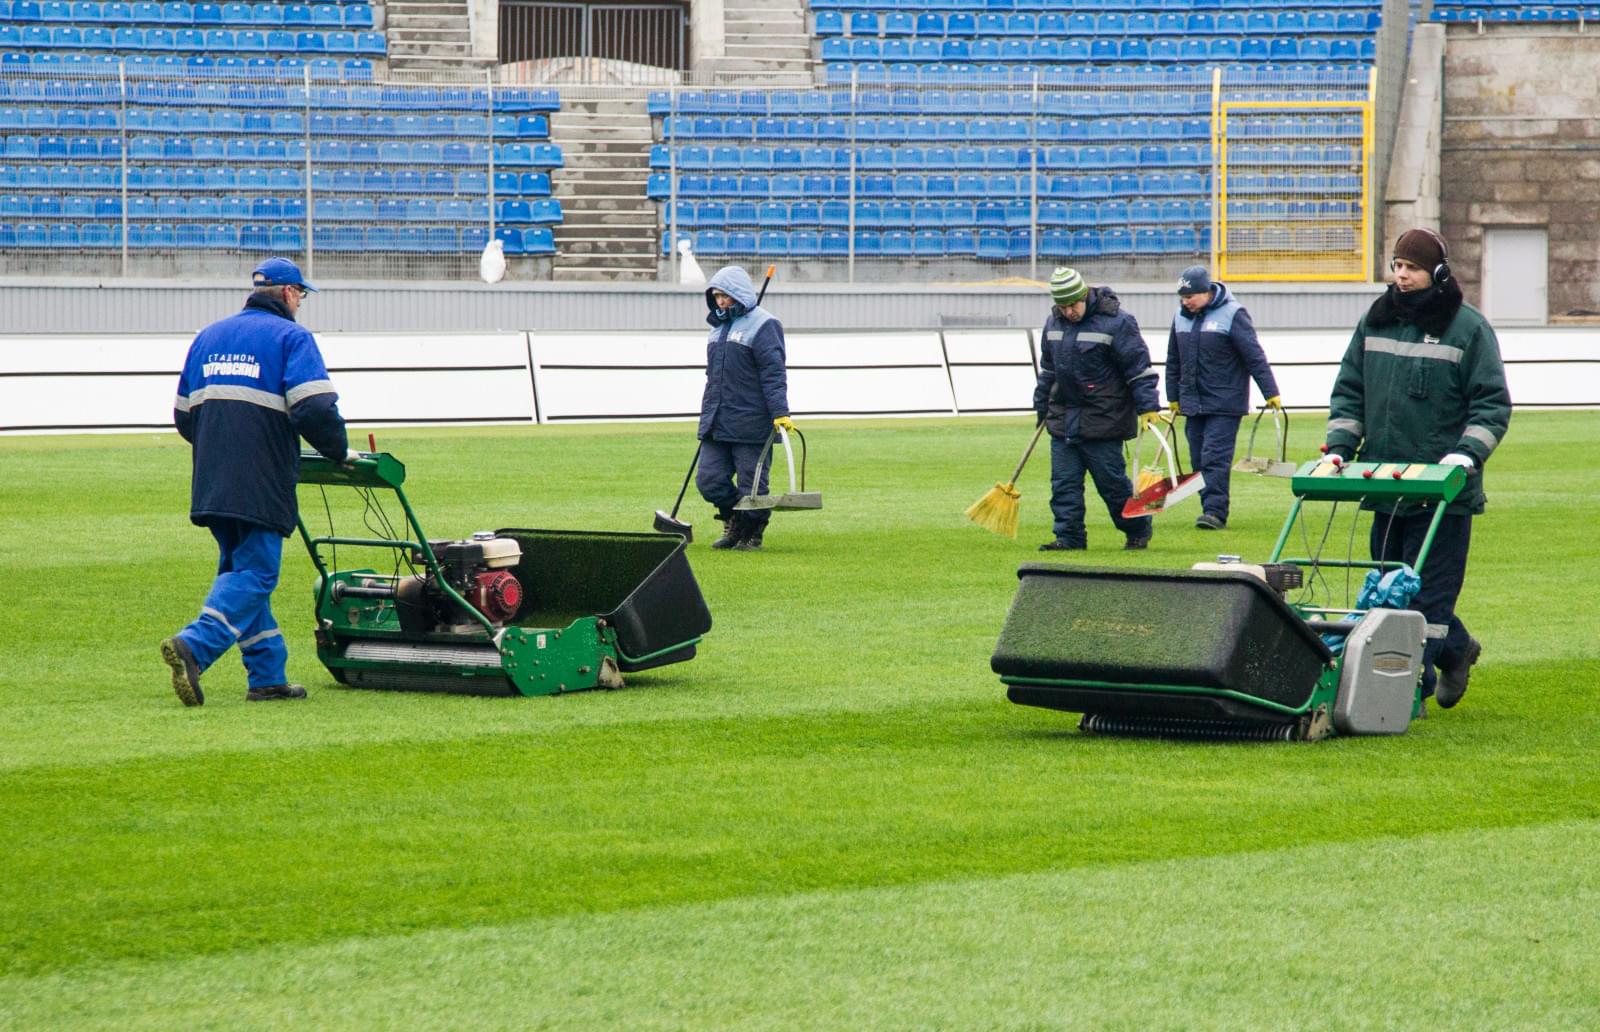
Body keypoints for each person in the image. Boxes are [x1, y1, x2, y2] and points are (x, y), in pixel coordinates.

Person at [1324, 228, 1511, 711]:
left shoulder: (1468, 329)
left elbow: (1491, 405)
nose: (1401, 276)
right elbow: (1350, 390)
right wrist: (1340, 447)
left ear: (1438, 272)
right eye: (1397, 266)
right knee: (1389, 590)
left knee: (1427, 601)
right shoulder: (1376, 321)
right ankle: (1458, 651)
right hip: (1388, 487)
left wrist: (1467, 453)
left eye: (1411, 267)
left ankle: (1409, 692)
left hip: (1445, 492)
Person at [161, 257, 349, 706]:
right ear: (287, 293)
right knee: (259, 574)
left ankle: (267, 676)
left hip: (212, 477)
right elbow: (314, 407)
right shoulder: (291, 338)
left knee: (240, 572)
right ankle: (195, 645)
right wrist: (339, 451)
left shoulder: (209, 336)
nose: (301, 302)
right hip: (260, 478)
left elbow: (184, 416)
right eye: (301, 294)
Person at [1032, 266, 1163, 551]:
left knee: (1112, 486)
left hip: (1105, 420)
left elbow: (1138, 370)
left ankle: (1137, 528)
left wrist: (1148, 406)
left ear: (1084, 295)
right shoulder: (1053, 325)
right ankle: (1069, 538)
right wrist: (1041, 404)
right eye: (1062, 306)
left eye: (1073, 304)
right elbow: (1048, 371)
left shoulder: (1118, 323)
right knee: (1063, 486)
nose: (1069, 312)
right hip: (1064, 419)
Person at [1165, 264, 1282, 530]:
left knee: (1214, 457)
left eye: (1190, 297)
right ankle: (1208, 505)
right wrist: (1173, 395)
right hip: (1192, 402)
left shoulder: (1233, 314)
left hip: (1225, 403)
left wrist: (1270, 391)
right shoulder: (1180, 317)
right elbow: (1174, 359)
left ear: (1206, 292)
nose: (1186, 302)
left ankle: (1215, 512)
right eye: (1182, 298)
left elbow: (1253, 355)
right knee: (1197, 459)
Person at [695, 265, 792, 552]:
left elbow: (773, 373)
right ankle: (733, 519)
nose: (721, 302)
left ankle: (752, 530)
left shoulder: (764, 324)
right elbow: (712, 376)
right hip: (717, 420)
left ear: (738, 294)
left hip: (752, 422)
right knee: (708, 480)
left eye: (725, 295)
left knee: (753, 486)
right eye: (716, 296)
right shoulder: (717, 329)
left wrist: (780, 412)